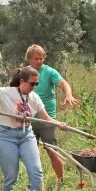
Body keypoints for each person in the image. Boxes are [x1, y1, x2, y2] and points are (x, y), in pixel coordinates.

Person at [0, 66, 66, 191]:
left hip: (27, 136)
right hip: (6, 136)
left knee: (36, 172)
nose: (34, 86)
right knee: (11, 177)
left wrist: (59, 124)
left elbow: (46, 118)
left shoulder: (34, 97)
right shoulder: (7, 92)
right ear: (22, 81)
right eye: (32, 83)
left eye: (36, 84)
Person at [25, 44, 80, 181]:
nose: (40, 61)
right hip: (28, 120)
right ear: (29, 59)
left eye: (42, 58)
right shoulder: (24, 73)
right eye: (36, 58)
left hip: (47, 120)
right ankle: (34, 183)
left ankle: (61, 181)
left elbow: (63, 83)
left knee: (53, 152)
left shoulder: (49, 72)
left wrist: (68, 95)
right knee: (30, 154)